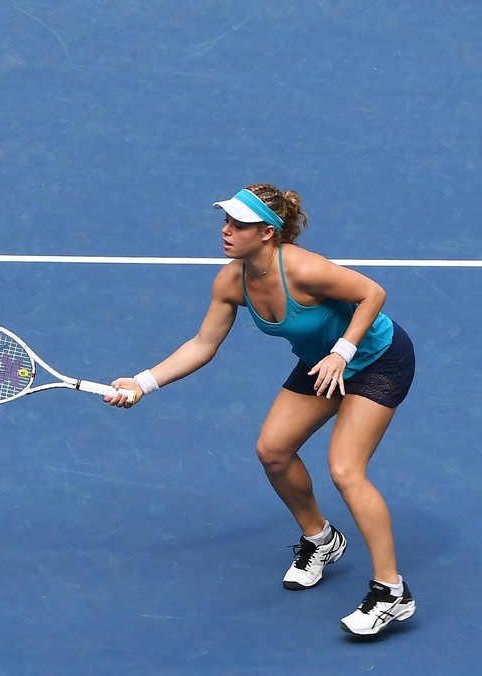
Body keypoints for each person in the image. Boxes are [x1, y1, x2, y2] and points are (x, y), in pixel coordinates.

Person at [106, 183, 416, 637]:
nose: (226, 232)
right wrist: (143, 382)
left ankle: (392, 592)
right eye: (226, 222)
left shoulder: (305, 269)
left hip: (376, 360)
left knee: (346, 469)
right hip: (319, 364)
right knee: (273, 450)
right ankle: (321, 540)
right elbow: (203, 343)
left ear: (268, 232)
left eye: (238, 225)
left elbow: (373, 293)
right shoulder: (232, 280)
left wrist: (343, 352)